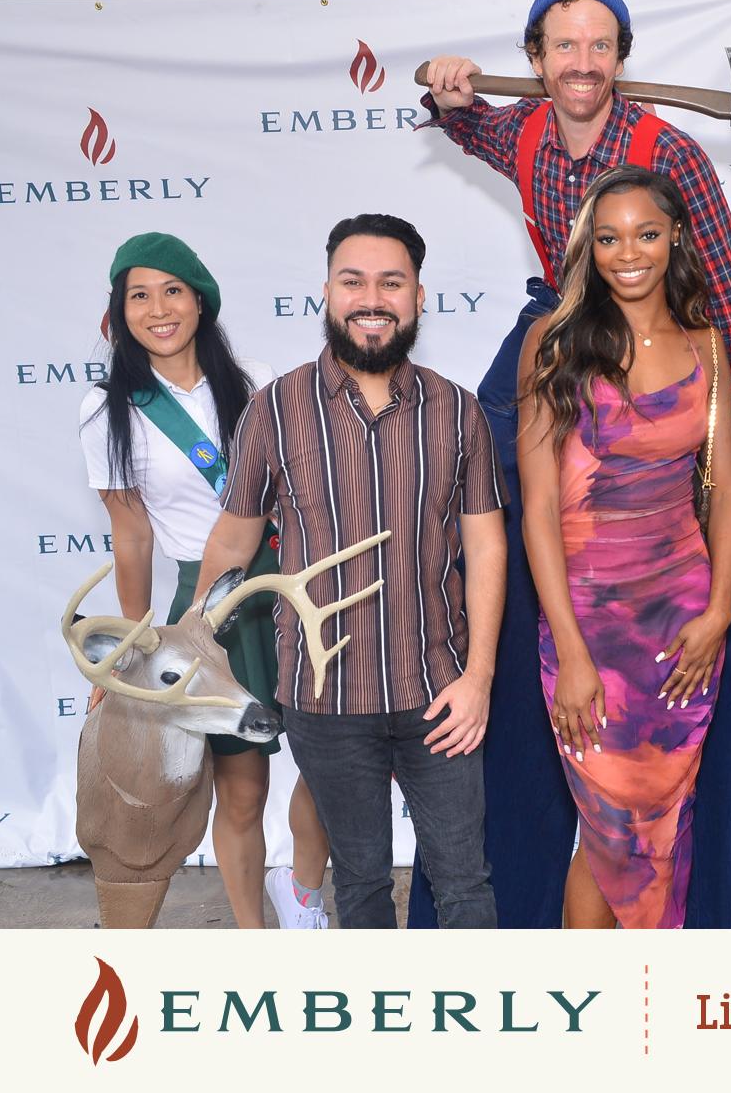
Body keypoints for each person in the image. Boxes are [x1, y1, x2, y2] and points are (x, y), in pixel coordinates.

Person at [414, 0, 731, 928]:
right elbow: (467, 122)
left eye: (600, 46)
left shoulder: (669, 154)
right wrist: (445, 91)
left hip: (663, 357)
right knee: (472, 484)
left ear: (621, 59)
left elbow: (722, 285)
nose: (583, 62)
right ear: (539, 58)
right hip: (567, 340)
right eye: (566, 46)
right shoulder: (522, 135)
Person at [191, 214, 505, 929]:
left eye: (391, 283)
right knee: (360, 882)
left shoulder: (458, 410)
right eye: (353, 281)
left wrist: (479, 678)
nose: (372, 298)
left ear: (419, 297)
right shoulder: (275, 408)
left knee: (464, 881)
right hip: (324, 699)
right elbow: (233, 543)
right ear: (327, 293)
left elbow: (486, 546)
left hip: (440, 692)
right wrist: (185, 642)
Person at [78, 231, 331, 930]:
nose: (157, 309)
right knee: (243, 789)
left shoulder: (254, 379)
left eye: (172, 291)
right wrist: (133, 645)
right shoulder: (109, 410)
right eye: (138, 295)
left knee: (339, 760)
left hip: (289, 585)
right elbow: (130, 535)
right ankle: (254, 935)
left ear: (200, 302)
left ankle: (302, 890)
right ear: (119, 311)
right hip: (209, 605)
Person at [517, 166, 731, 929]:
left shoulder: (708, 345)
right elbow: (540, 509)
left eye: (646, 234)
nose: (628, 253)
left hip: (680, 624)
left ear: (675, 234)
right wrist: (573, 655)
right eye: (609, 238)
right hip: (588, 626)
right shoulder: (552, 342)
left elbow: (723, 493)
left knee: (658, 823)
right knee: (609, 823)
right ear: (590, 245)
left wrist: (718, 614)